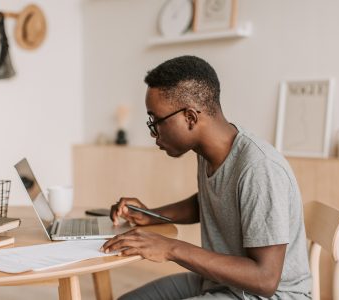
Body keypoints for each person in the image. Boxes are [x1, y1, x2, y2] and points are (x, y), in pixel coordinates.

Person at [101, 55, 312, 299]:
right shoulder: (209, 152)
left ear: (190, 117)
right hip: (220, 283)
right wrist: (151, 215)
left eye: (156, 121)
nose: (153, 133)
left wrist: (171, 248)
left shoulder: (259, 168)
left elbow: (265, 279)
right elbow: (210, 202)